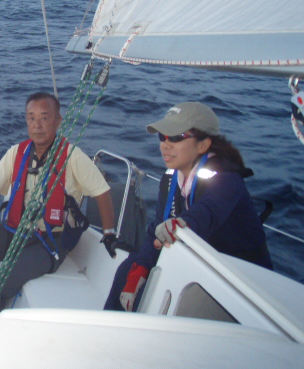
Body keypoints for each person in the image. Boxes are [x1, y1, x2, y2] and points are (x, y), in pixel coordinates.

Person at [0, 92, 116, 312]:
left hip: (50, 242)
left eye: (44, 118)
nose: (37, 125)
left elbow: (102, 193)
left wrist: (109, 233)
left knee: (5, 278)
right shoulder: (16, 153)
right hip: (13, 231)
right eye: (31, 118)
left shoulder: (73, 156)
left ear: (58, 121)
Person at [104, 101, 272, 312]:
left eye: (176, 137)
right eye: (162, 136)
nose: (165, 145)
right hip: (197, 264)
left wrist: (182, 224)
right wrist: (141, 267)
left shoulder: (228, 179)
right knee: (127, 270)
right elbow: (155, 230)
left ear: (202, 145)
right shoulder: (171, 179)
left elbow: (207, 212)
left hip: (240, 283)